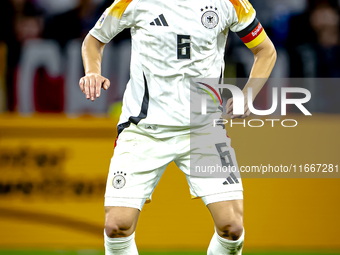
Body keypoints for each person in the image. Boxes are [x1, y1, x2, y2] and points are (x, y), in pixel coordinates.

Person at [79, 0, 276, 254]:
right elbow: (93, 40)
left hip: (204, 130)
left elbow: (265, 51)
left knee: (232, 227)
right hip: (144, 129)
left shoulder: (230, 3)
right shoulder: (134, 2)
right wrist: (93, 71)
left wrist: (248, 95)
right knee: (117, 225)